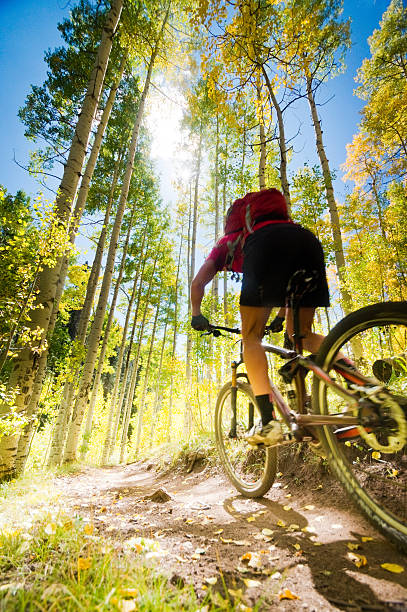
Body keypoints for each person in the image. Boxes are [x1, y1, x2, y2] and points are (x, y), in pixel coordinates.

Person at [190, 187, 335, 447]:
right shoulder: (284, 224)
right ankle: (360, 383)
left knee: (251, 338)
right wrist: (281, 316)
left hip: (268, 247)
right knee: (299, 333)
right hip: (306, 242)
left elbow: (198, 283)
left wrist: (196, 314)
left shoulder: (226, 244)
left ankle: (269, 423)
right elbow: (284, 282)